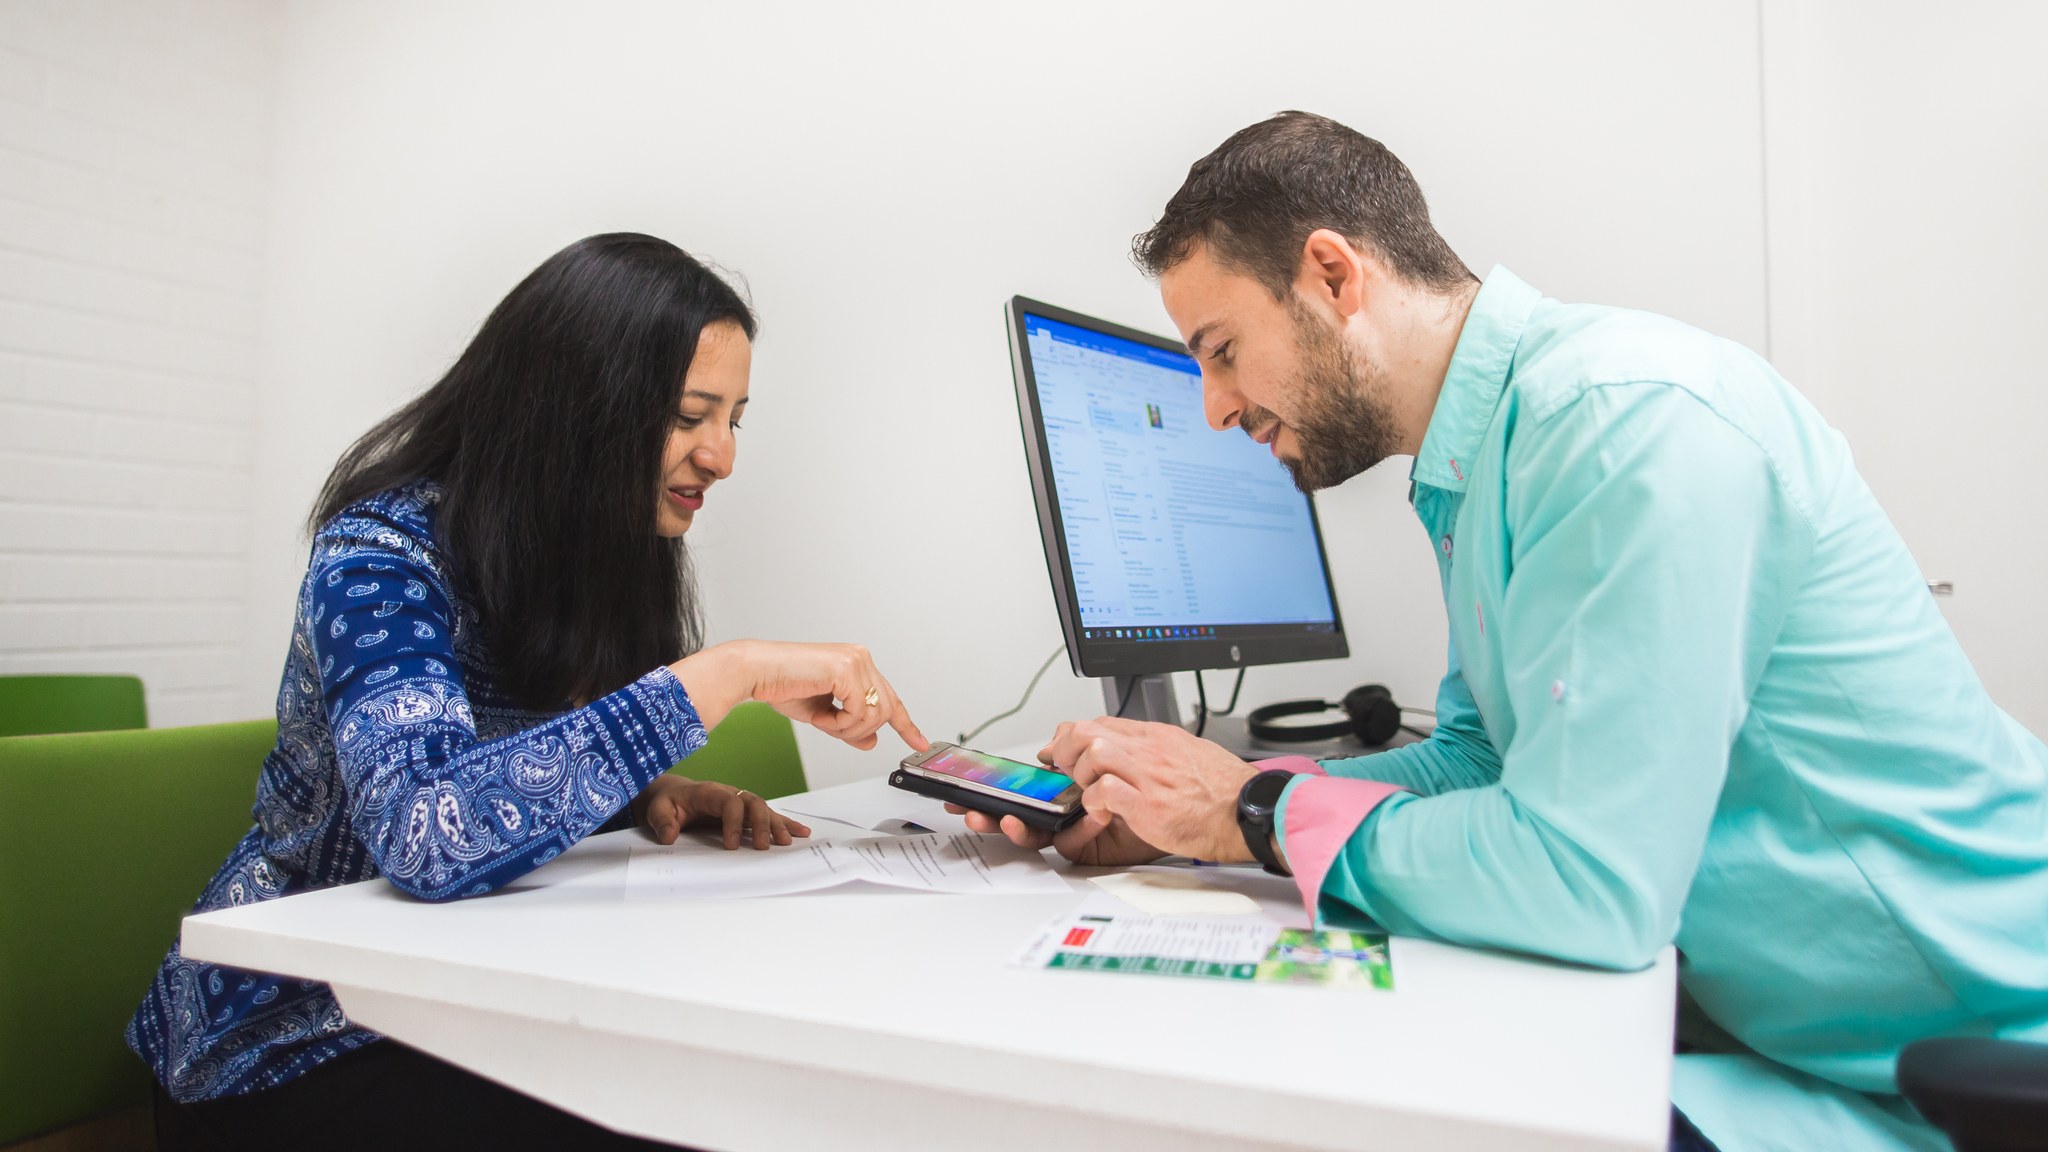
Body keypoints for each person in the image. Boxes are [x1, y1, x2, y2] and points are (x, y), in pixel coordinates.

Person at [963, 113, 2048, 1152]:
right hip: (1800, 1026)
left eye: (1219, 348)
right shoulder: (1484, 459)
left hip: (1954, 1058)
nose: (1209, 405)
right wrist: (1197, 812)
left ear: (1332, 276)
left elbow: (1586, 883)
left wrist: (1249, 810)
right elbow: (1482, 760)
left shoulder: (1622, 423)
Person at [133, 233, 929, 1150]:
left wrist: (646, 796)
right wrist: (725, 675)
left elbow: (506, 762)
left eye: (735, 419)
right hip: (294, 1040)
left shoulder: (594, 554)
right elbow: (427, 834)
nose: (722, 457)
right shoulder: (379, 555)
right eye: (686, 414)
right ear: (571, 408)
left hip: (468, 1003)